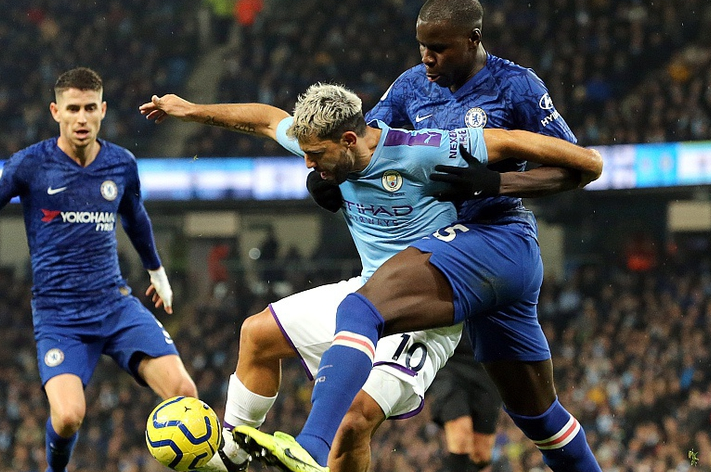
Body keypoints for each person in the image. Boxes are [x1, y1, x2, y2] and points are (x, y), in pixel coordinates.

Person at [140, 82, 602, 472]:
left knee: (353, 422)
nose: (308, 165)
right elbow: (265, 119)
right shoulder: (320, 142)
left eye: (315, 155)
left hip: (423, 313)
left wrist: (550, 167)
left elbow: (513, 141)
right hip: (367, 292)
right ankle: (233, 456)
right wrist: (190, 110)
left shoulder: (423, 153)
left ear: (348, 139)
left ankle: (310, 448)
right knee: (257, 333)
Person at [303, 1, 582, 470]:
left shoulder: (517, 86)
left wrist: (498, 183)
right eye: (421, 46)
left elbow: (575, 167)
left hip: (493, 237)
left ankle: (310, 444)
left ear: (473, 40)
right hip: (450, 253)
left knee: (360, 308)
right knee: (539, 419)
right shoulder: (411, 85)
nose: (427, 57)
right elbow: (365, 144)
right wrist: (329, 177)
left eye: (438, 48)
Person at [0, 67, 198, 472]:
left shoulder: (120, 163)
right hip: (59, 316)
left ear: (103, 110)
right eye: (73, 108)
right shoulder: (30, 165)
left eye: (90, 108)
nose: (82, 118)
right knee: (68, 416)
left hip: (115, 305)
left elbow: (135, 218)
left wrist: (157, 272)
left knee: (185, 392)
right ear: (56, 111)